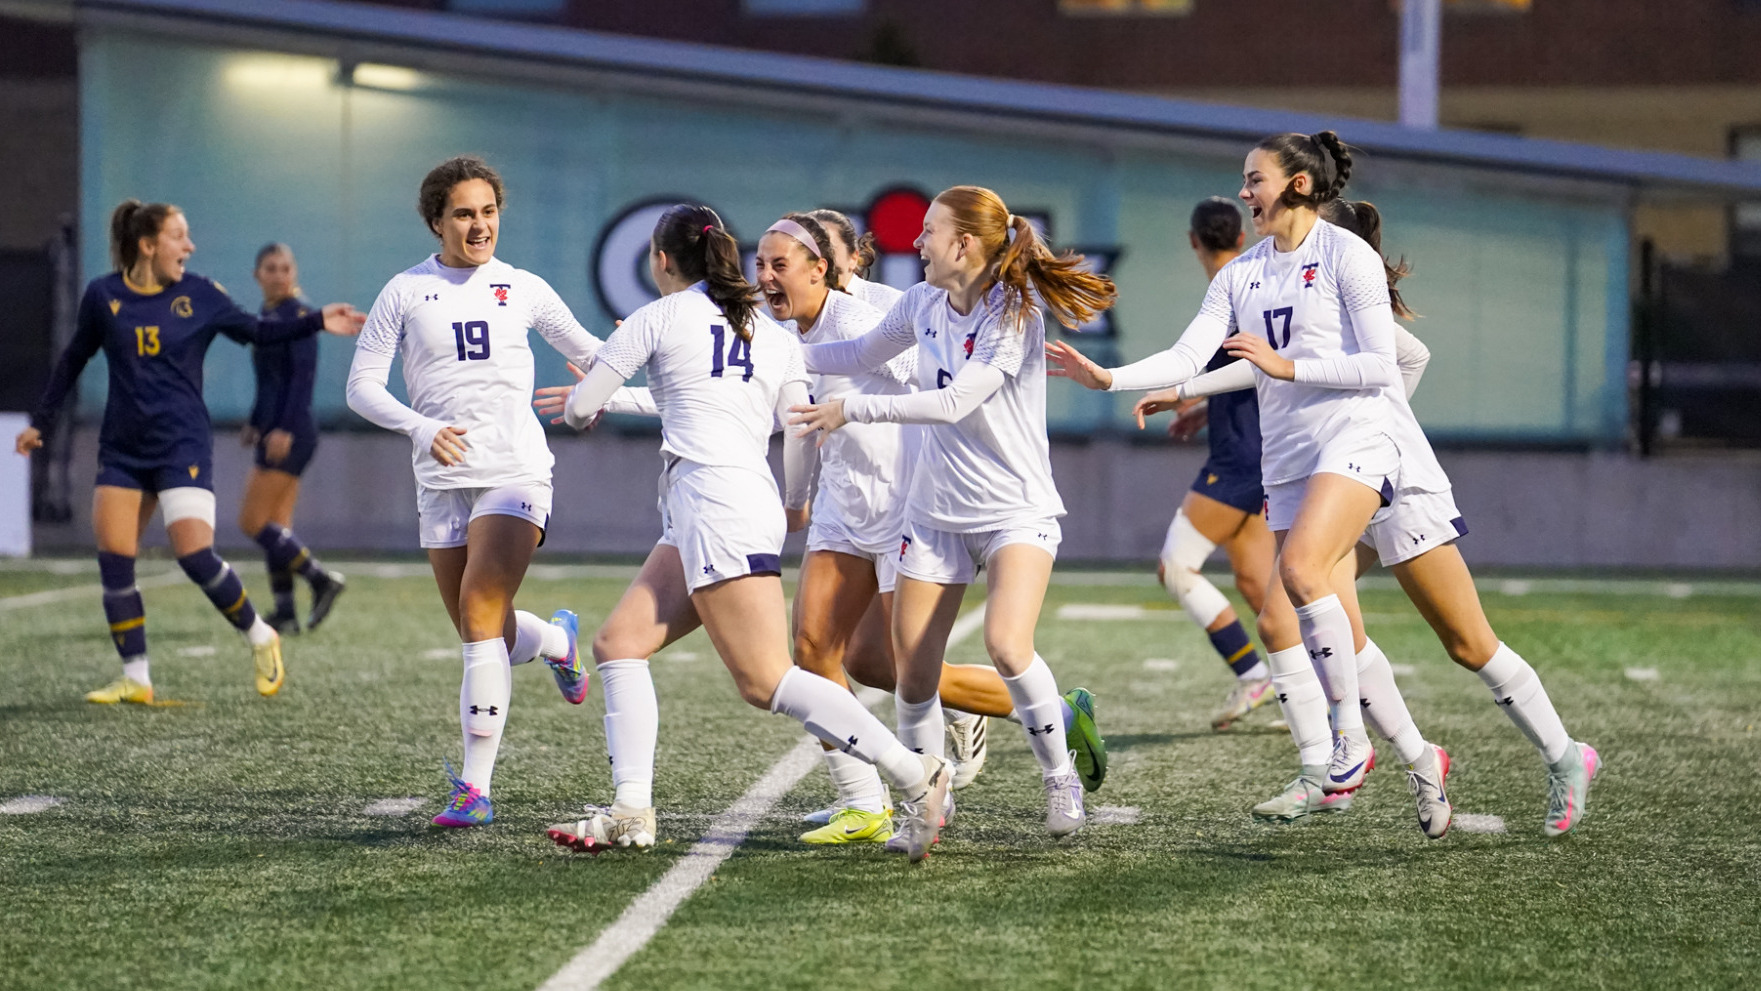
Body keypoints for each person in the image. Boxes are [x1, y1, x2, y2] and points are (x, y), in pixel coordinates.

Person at [1051, 133, 1598, 837]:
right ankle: (1429, 755)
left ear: (1300, 184)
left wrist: (1286, 369)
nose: (1244, 192)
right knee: (1341, 622)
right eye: (1243, 180)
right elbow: (1200, 350)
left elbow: (1377, 364)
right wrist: (1129, 380)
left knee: (1339, 589)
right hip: (1292, 461)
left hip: (1364, 448)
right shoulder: (1241, 274)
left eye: (1255, 179)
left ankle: (1371, 744)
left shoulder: (1347, 257)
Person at [538, 204, 953, 863]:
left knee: (765, 681)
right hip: (736, 497)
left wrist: (620, 373)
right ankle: (631, 809)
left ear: (661, 260)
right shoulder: (771, 331)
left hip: (710, 499)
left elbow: (585, 405)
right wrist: (794, 503)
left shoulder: (658, 316)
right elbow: (792, 427)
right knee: (619, 644)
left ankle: (914, 772)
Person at [791, 185, 1116, 840]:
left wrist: (851, 407)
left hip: (1011, 507)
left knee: (1005, 643)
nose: (915, 243)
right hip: (934, 513)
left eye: (928, 231)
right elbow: (855, 356)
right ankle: (927, 802)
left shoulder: (1015, 311)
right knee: (909, 669)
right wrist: (766, 359)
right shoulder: (920, 304)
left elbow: (954, 402)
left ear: (963, 242)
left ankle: (1058, 777)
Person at [15, 200, 364, 703]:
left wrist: (315, 321)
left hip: (182, 444)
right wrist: (40, 422)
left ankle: (262, 636)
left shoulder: (200, 294)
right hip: (122, 449)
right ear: (148, 244)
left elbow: (256, 330)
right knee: (115, 561)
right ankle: (136, 678)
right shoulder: (103, 296)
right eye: (180, 236)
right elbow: (73, 359)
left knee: (194, 555)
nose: (190, 246)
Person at [758, 212, 1032, 845]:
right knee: (814, 649)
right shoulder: (787, 328)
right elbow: (767, 401)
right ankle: (862, 802)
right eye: (763, 265)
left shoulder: (866, 317)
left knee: (887, 664)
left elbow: (936, 388)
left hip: (902, 506)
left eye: (784, 263)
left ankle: (1043, 712)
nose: (768, 277)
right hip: (841, 505)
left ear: (834, 263)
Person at [345, 155, 602, 828]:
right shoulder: (404, 291)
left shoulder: (523, 288)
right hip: (439, 479)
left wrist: (595, 391)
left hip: (515, 467)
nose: (479, 224)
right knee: (478, 621)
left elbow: (595, 354)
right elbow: (361, 386)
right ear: (436, 220)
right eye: (464, 213)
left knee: (482, 605)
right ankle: (555, 642)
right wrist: (420, 426)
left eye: (488, 211)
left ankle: (474, 788)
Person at [1152, 198, 1278, 731]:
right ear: (1243, 236)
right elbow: (1258, 372)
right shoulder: (1253, 282)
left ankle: (1255, 676)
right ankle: (1311, 704)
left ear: (1192, 240)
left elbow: (1254, 368)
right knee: (1259, 586)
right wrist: (1205, 409)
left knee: (1175, 566)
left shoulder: (1232, 290)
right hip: (1261, 451)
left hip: (1241, 458)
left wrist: (1178, 391)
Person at [238, 242, 345, 635]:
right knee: (277, 526)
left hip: (293, 430)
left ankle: (320, 580)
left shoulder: (298, 315)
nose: (280, 275)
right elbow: (269, 381)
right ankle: (285, 611)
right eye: (271, 268)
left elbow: (301, 380)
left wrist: (282, 426)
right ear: (258, 275)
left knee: (252, 521)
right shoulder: (269, 315)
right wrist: (255, 421)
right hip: (280, 428)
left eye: (286, 268)